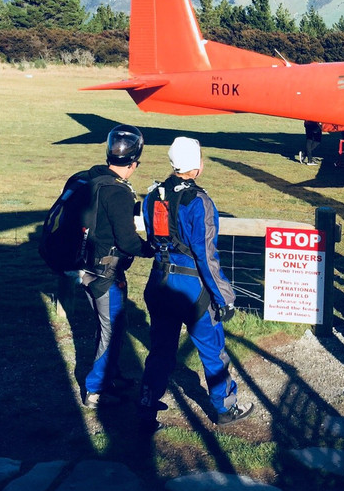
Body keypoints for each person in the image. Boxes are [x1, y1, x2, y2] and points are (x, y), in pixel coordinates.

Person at [138, 136, 254, 432]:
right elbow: (206, 255)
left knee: (160, 350)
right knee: (212, 350)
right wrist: (224, 297)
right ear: (197, 166)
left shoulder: (152, 196)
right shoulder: (199, 202)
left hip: (159, 280)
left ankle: (146, 406)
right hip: (192, 287)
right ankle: (224, 408)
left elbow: (152, 239)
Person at [76, 124, 153, 408]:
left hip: (86, 267)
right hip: (106, 273)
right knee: (111, 331)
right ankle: (95, 390)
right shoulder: (118, 192)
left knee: (110, 327)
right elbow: (128, 241)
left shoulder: (93, 179)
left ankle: (111, 376)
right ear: (134, 163)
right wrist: (152, 249)